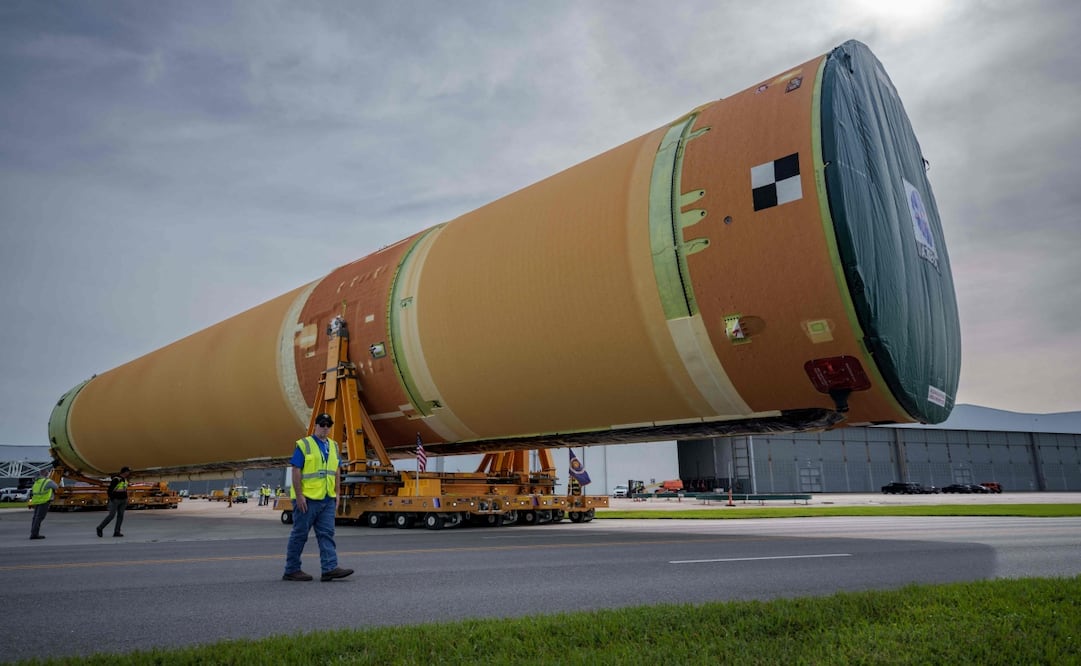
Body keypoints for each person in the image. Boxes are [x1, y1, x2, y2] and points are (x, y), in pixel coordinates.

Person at [282, 413, 353, 582]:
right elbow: (296, 470)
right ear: (315, 426)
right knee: (300, 535)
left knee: (327, 534)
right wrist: (299, 496)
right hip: (307, 499)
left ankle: (329, 568)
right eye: (322, 424)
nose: (325, 428)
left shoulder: (334, 446)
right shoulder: (304, 444)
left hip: (327, 498)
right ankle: (291, 570)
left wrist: (337, 493)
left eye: (328, 425)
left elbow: (336, 470)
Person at [96, 466, 131, 537]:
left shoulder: (125, 480)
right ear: (125, 472)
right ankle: (100, 528)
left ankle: (117, 532)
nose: (129, 473)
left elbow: (124, 489)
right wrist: (112, 499)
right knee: (111, 515)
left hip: (123, 500)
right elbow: (109, 490)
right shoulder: (116, 479)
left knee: (120, 516)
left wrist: (126, 499)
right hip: (116, 500)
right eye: (128, 472)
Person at [28, 465, 59, 540]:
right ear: (46, 474)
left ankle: (33, 532)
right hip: (44, 501)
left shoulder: (37, 481)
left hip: (37, 501)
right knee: (39, 518)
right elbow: (56, 486)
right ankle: (34, 534)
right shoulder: (47, 481)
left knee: (35, 518)